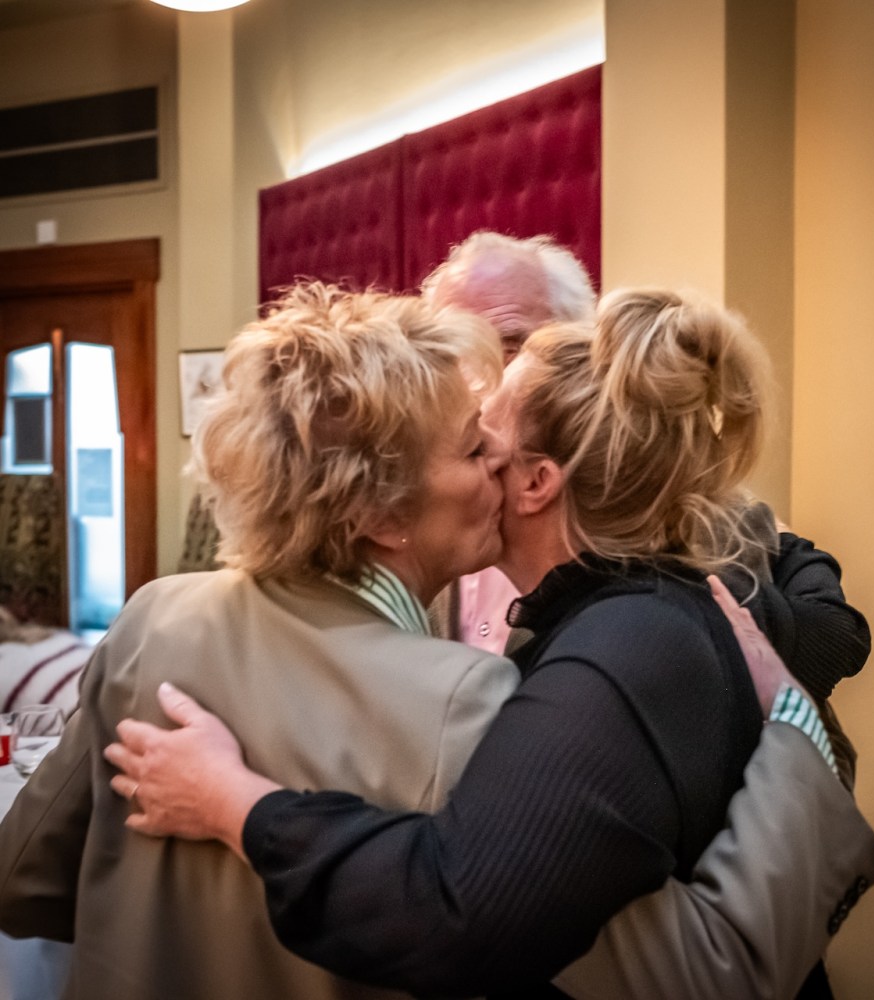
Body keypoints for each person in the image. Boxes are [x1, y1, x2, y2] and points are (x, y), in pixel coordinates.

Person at [102, 288, 874, 998]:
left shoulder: (621, 644)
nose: (477, 446)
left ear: (537, 481)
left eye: (484, 443)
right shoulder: (621, 616)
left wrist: (236, 805)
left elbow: (464, 913)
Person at [0, 284, 521, 999]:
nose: (502, 455)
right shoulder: (464, 700)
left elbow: (21, 880)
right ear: (379, 513)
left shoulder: (154, 618)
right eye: (473, 445)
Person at [422, 231, 597, 654]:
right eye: (453, 356)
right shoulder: (414, 509)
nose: (475, 384)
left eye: (510, 349)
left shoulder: (641, 501)